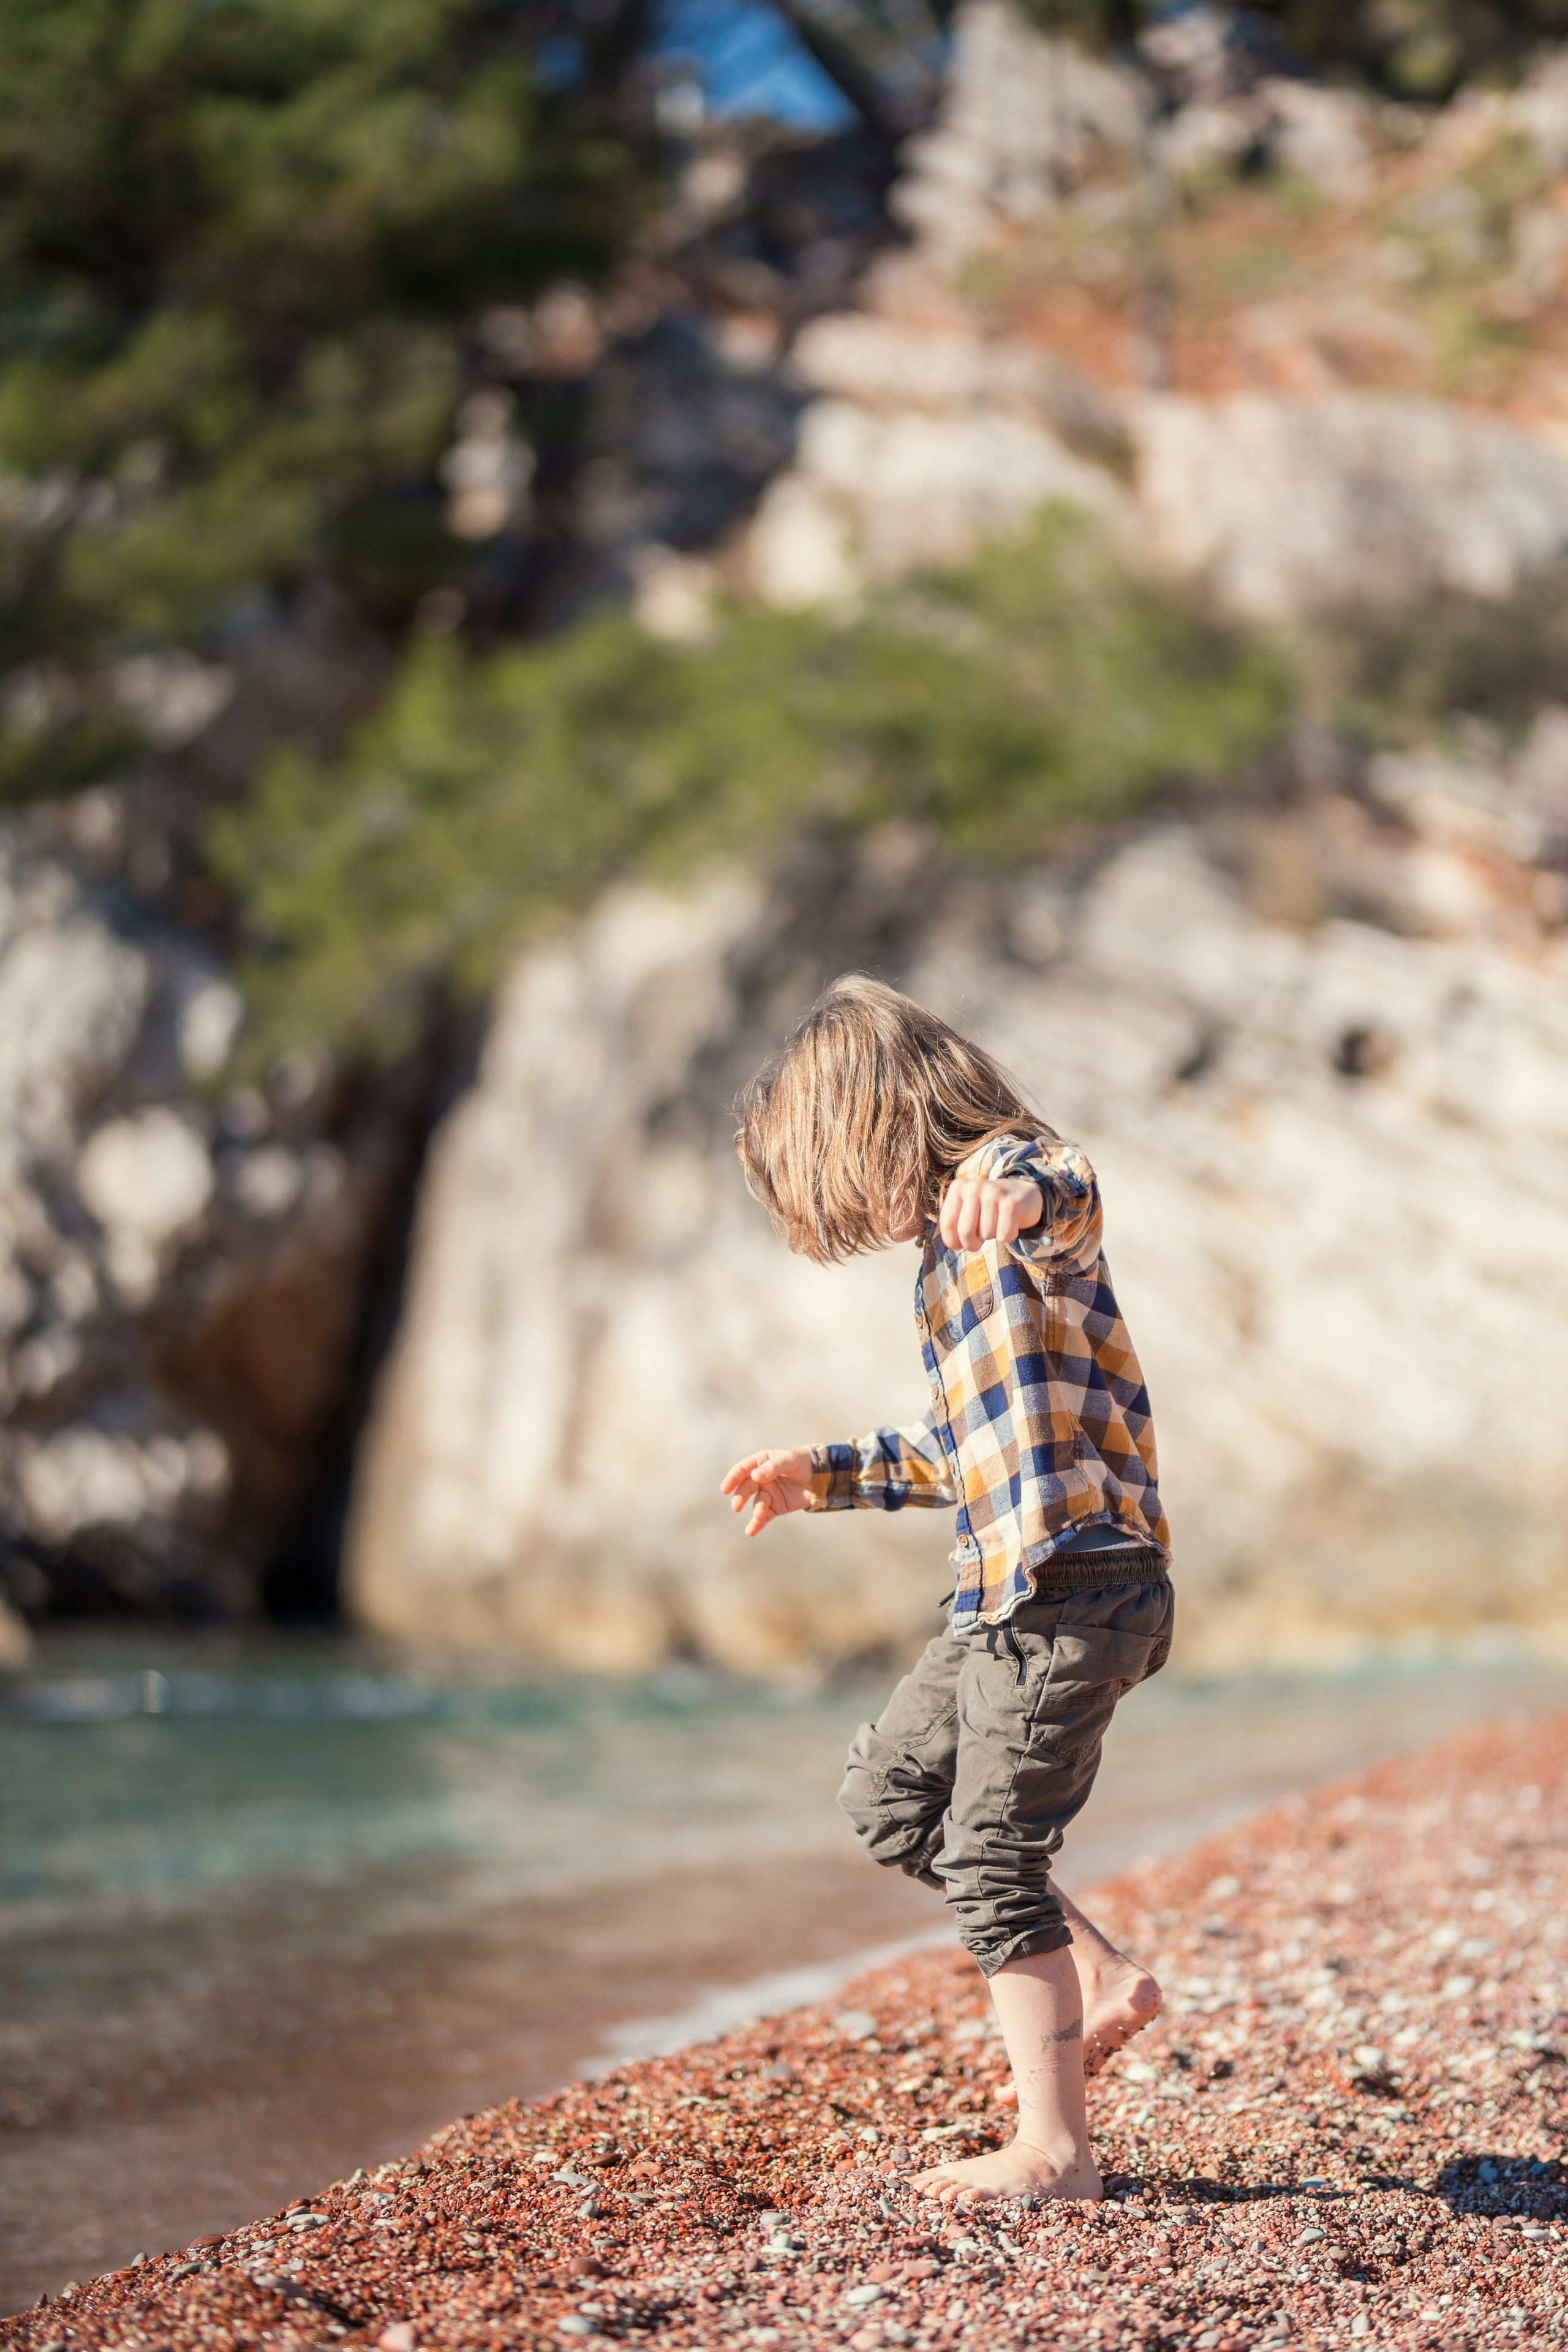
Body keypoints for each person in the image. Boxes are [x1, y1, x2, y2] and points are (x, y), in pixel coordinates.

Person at [720, 975, 1174, 2207]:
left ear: (877, 1125)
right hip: (1001, 1602)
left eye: (832, 1182)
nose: (843, 1218)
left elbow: (1070, 1186)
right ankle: (1096, 1977)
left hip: (1078, 1589)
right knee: (888, 1797)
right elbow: (952, 1450)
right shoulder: (940, 1267)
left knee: (990, 1856)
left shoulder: (1016, 1189)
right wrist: (823, 1475)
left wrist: (1017, 1190)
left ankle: (1056, 2151)